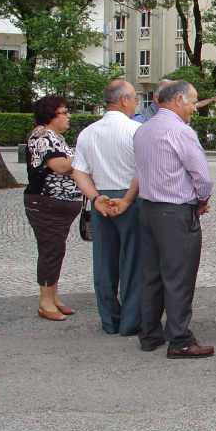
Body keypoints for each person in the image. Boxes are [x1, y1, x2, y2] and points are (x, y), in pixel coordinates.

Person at [133, 80, 214, 358]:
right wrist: (201, 200)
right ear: (178, 99)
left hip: (148, 210)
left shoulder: (143, 129)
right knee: (179, 276)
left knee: (151, 275)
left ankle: (149, 333)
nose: (194, 107)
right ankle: (179, 339)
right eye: (193, 101)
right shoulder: (181, 131)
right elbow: (202, 177)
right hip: (175, 212)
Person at [71, 80, 142, 336]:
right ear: (124, 100)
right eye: (134, 98)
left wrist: (95, 198)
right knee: (133, 262)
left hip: (100, 199)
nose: (137, 103)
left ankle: (109, 319)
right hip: (130, 198)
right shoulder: (136, 131)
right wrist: (127, 199)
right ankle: (131, 321)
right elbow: (142, 171)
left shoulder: (88, 133)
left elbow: (79, 171)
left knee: (103, 262)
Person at [23, 95, 84, 321]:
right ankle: (45, 302)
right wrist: (87, 155)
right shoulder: (42, 136)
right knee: (50, 250)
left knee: (56, 250)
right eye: (64, 113)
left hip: (58, 204)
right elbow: (59, 165)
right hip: (45, 202)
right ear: (50, 115)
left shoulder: (55, 137)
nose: (69, 116)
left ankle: (53, 297)